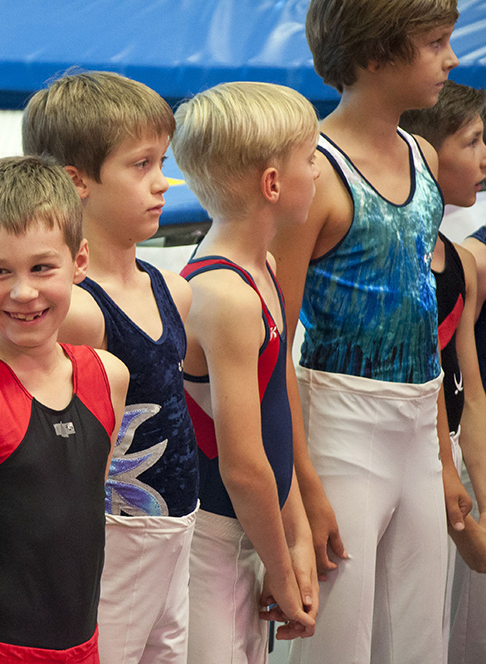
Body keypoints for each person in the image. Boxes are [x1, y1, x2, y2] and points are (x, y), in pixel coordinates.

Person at [267, 1, 470, 662]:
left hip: (419, 428)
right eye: (435, 43)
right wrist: (303, 484)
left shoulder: (423, 156)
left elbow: (423, 317)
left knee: (420, 639)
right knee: (338, 641)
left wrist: (442, 457)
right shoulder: (316, 173)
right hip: (342, 428)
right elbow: (276, 343)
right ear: (377, 54)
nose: (453, 59)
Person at [21, 69, 199, 664]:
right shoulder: (77, 311)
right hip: (113, 537)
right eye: (141, 165)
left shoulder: (171, 289)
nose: (163, 182)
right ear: (78, 182)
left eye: (162, 162)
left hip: (179, 527)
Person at [0, 155, 129, 664]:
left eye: (42, 267)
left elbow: (83, 510)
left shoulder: (108, 376)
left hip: (83, 643)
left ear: (79, 261)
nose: (24, 292)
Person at [170, 81, 320, 662]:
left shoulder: (263, 266)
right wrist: (283, 571)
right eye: (311, 158)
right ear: (272, 184)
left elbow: (273, 418)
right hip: (214, 541)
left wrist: (297, 536)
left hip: (253, 531)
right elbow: (243, 465)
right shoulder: (224, 295)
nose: (318, 171)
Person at [399, 79, 486, 662]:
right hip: (406, 450)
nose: (485, 157)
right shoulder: (397, 264)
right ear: (428, 154)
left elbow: (471, 395)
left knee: (432, 636)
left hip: (446, 446)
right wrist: (448, 477)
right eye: (473, 141)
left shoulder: (460, 263)